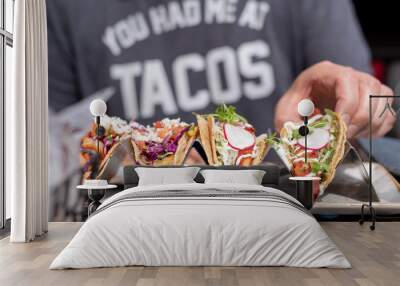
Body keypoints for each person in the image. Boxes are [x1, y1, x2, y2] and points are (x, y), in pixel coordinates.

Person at [47, 0, 395, 142]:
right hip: (129, 227)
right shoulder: (57, 9)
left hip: (288, 212)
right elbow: (49, 158)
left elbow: (376, 110)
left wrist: (345, 111)